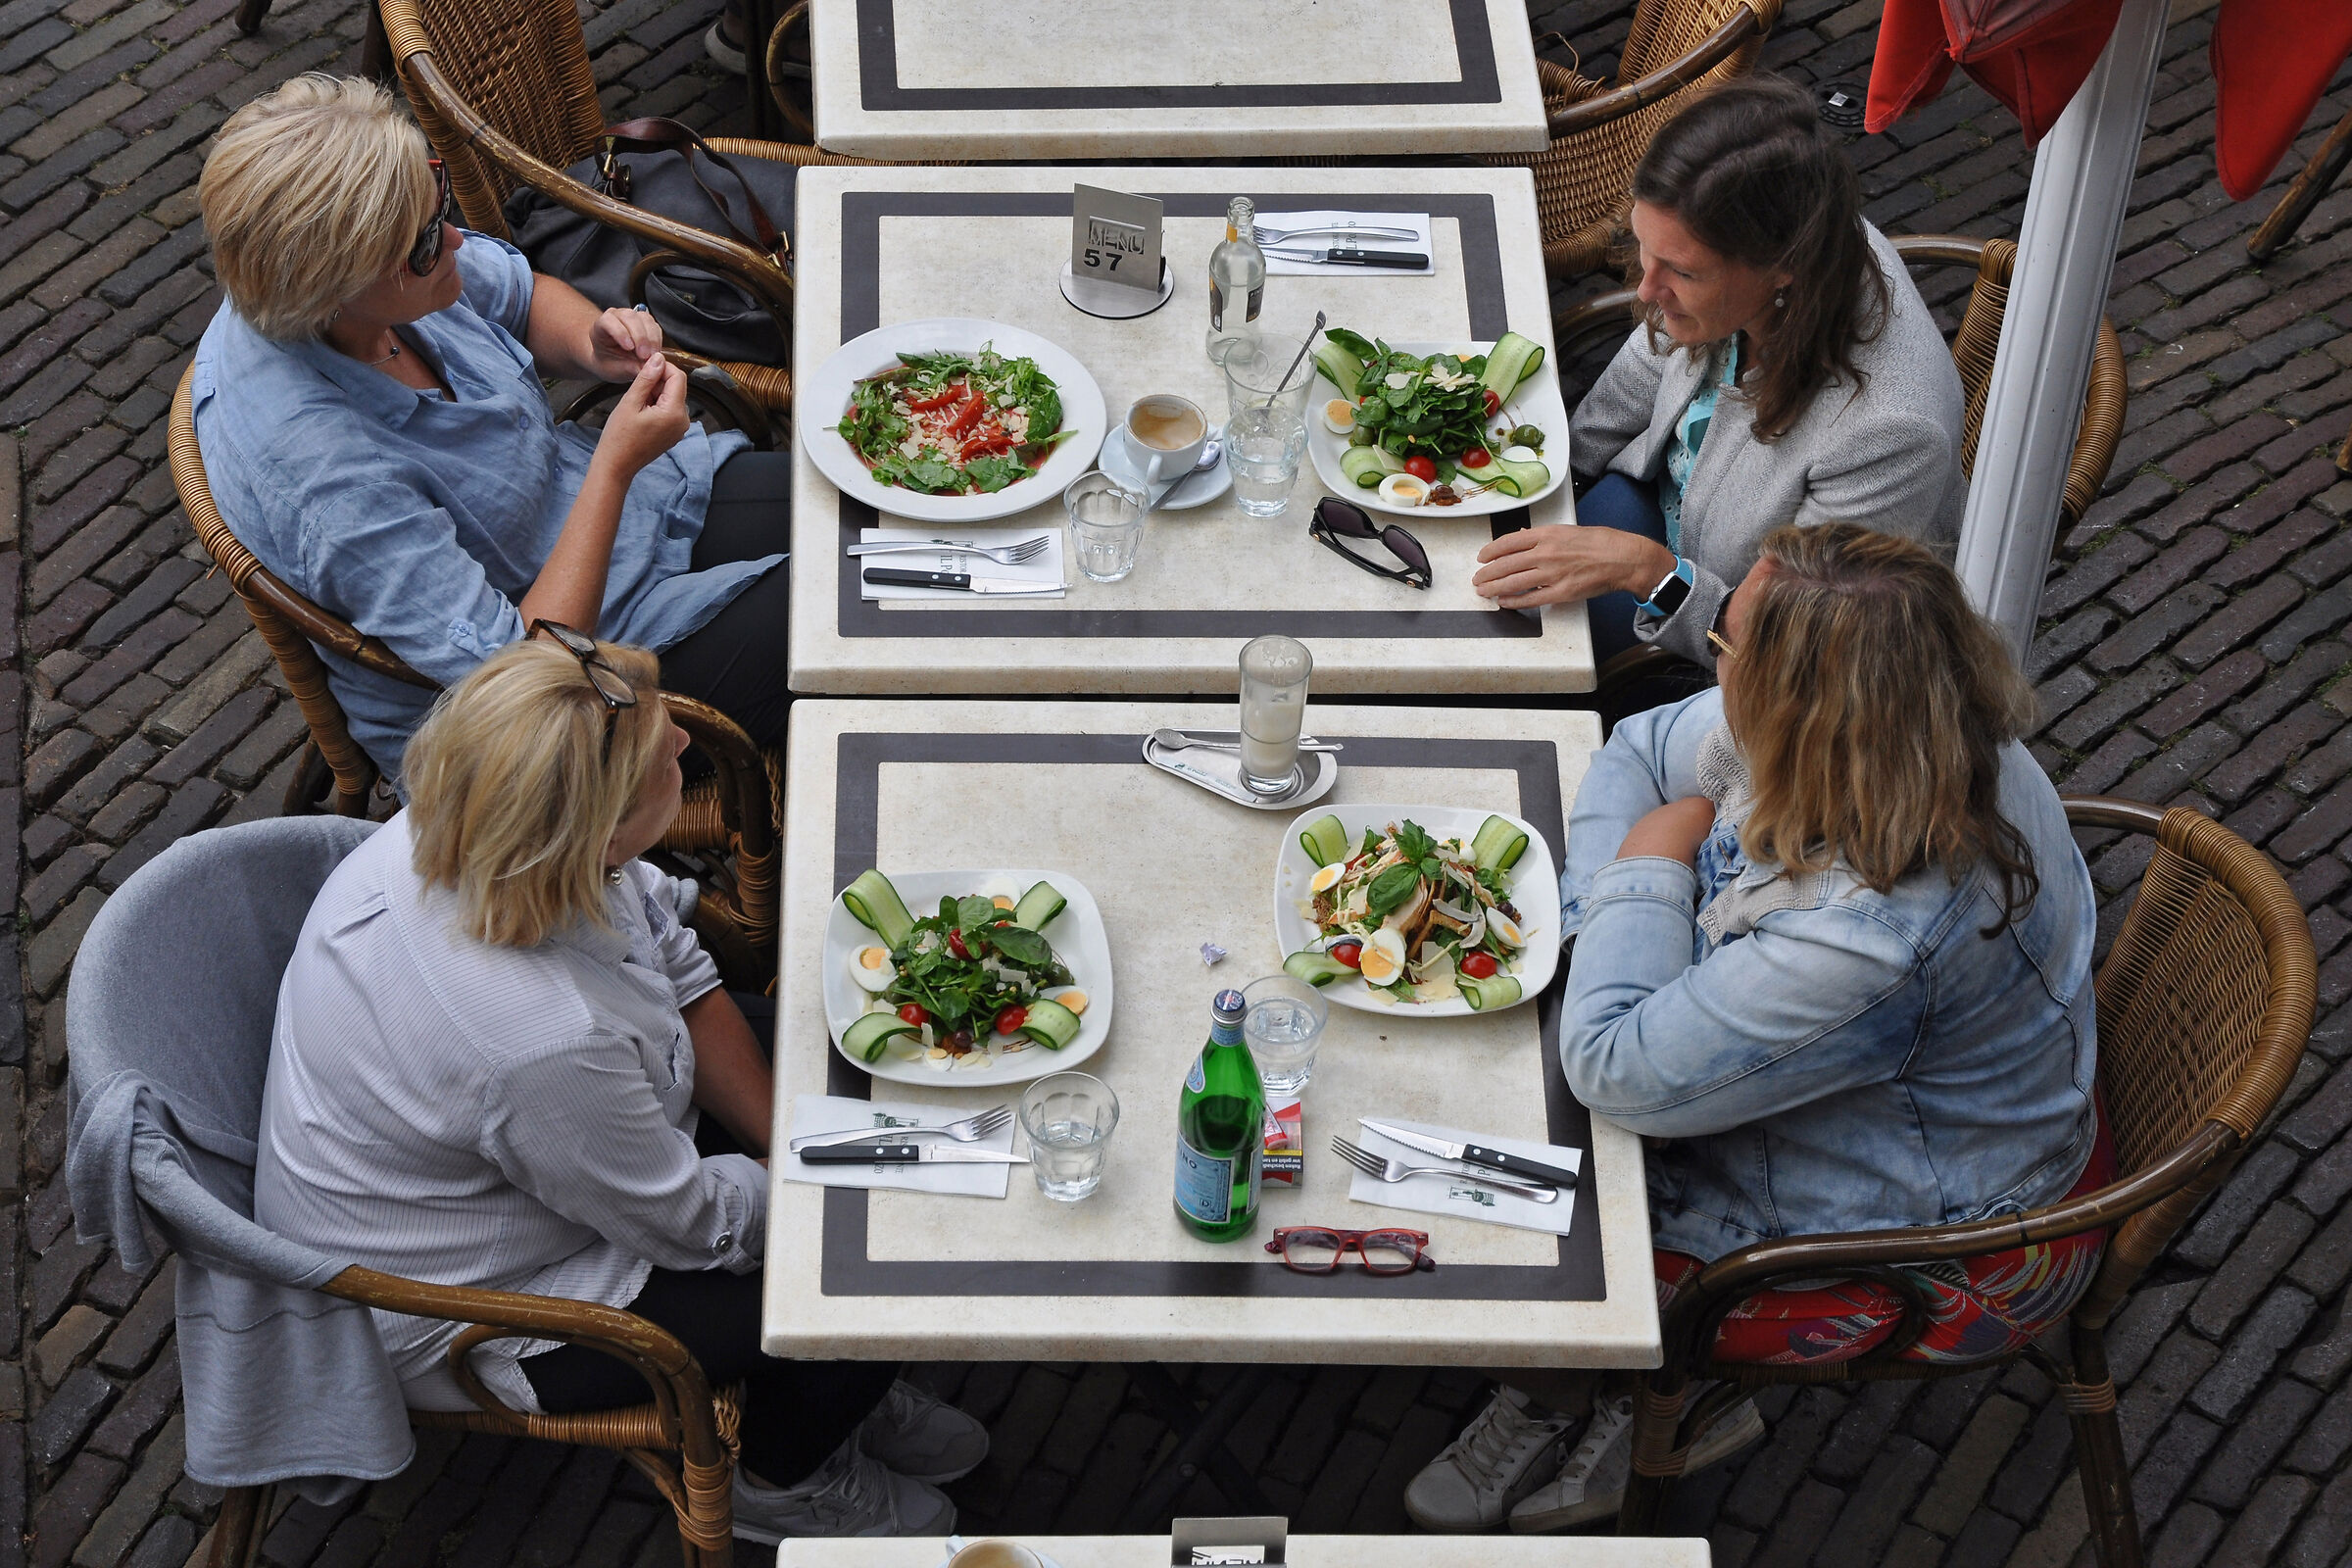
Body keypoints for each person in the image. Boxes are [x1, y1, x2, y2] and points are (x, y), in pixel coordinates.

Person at [1409, 524, 2105, 1533]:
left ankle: (1631, 1382)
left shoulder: (1878, 935)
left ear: (1807, 712)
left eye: (1726, 652)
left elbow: (1610, 1065)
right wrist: (1604, 923)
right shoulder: (1914, 717)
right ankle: (1596, 1373)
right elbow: (1642, 749)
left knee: (1503, 1168)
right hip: (1874, 1083)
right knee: (1501, 1067)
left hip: (1915, 1209)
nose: (1714, 661)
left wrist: (1648, 865)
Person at [253, 634, 983, 1540]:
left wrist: (796, 1137)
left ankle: (835, 1379)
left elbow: (673, 961)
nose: (681, 737)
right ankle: (783, 1473)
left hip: (564, 1145)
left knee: (882, 1122)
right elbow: (692, 1226)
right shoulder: (535, 1038)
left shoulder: (482, 822)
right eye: (655, 754)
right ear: (589, 830)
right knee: (888, 1254)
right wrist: (831, 1173)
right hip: (490, 1298)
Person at [191, 74, 793, 792]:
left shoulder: (377, 267)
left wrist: (592, 342)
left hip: (618, 527)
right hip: (553, 725)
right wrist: (613, 467)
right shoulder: (329, 480)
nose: (453, 238)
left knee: (868, 504)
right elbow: (523, 681)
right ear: (334, 285)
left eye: (437, 195)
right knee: (869, 602)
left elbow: (523, 294)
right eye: (422, 243)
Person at [1472, 75, 1967, 669]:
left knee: (1494, 662)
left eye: (1680, 272)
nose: (1647, 290)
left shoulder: (1888, 436)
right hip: (1650, 514)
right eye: (1642, 249)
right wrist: (1539, 483)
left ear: (1784, 267)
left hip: (1729, 647)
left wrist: (1645, 570)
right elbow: (1642, 368)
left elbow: (1779, 648)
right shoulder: (1802, 233)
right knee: (1464, 590)